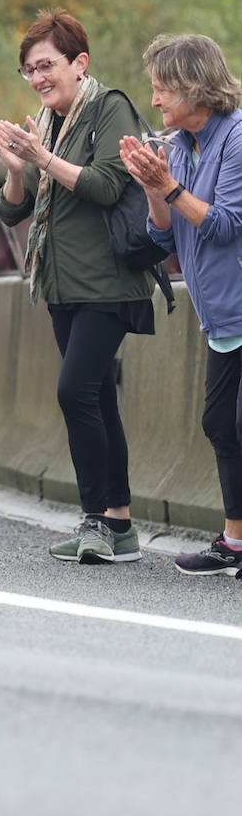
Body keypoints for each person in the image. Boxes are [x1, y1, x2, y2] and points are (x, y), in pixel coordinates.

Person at [0, 8, 157, 564]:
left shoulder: (110, 108)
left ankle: (93, 521)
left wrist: (44, 156)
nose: (38, 78)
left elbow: (109, 186)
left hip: (110, 282)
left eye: (47, 65)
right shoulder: (49, 121)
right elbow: (12, 212)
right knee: (99, 398)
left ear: (78, 63)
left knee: (74, 391)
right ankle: (120, 527)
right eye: (29, 70)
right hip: (62, 285)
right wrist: (17, 166)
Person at [120, 33, 242, 577]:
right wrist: (152, 184)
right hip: (221, 314)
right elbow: (165, 239)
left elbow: (225, 224)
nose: (156, 101)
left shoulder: (236, 138)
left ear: (196, 87)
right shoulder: (183, 145)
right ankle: (234, 543)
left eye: (163, 88)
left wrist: (169, 186)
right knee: (220, 423)